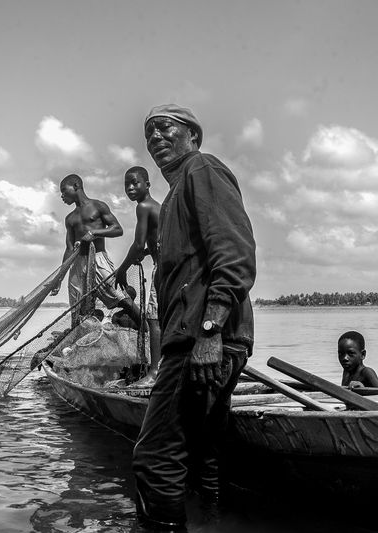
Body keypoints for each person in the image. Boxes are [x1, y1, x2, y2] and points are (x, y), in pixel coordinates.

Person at [132, 104, 256, 531]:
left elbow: (236, 256)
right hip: (200, 340)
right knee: (204, 455)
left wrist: (209, 330)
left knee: (154, 459)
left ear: (193, 136)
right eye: (148, 133)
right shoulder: (172, 197)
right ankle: (211, 521)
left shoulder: (202, 170)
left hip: (204, 341)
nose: (155, 138)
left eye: (165, 128)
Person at [51, 173, 141, 326]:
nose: (62, 196)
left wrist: (94, 233)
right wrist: (59, 278)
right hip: (78, 265)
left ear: (76, 186)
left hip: (99, 260)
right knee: (78, 310)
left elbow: (117, 229)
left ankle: (147, 330)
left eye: (63, 191)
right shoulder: (70, 218)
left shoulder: (98, 206)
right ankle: (77, 341)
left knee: (120, 298)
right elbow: (69, 248)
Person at [115, 166, 162, 386]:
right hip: (169, 266)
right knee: (163, 319)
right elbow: (153, 240)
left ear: (147, 185)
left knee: (154, 320)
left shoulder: (144, 206)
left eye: (135, 183)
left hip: (163, 268)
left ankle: (154, 373)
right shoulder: (155, 206)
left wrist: (122, 269)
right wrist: (144, 254)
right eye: (127, 184)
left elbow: (138, 243)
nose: (130, 188)